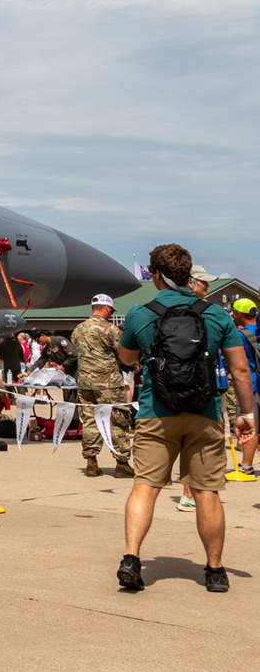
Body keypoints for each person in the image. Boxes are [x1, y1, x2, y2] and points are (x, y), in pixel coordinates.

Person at [116, 244, 255, 593]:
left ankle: (132, 558)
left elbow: (127, 358)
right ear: (188, 273)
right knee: (207, 492)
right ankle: (215, 570)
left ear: (157, 275)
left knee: (145, 487)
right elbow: (239, 368)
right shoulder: (217, 315)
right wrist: (246, 413)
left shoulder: (140, 313)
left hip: (156, 414)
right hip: (204, 414)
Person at [73, 295, 133, 478]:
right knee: (118, 421)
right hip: (109, 383)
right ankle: (122, 463)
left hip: (85, 383)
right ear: (106, 308)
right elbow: (124, 354)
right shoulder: (111, 329)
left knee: (90, 421)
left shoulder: (78, 330)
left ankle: (91, 463)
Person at [230, 299, 260, 476]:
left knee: (251, 423)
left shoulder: (241, 336)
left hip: (251, 383)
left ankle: (246, 466)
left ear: (239, 314)